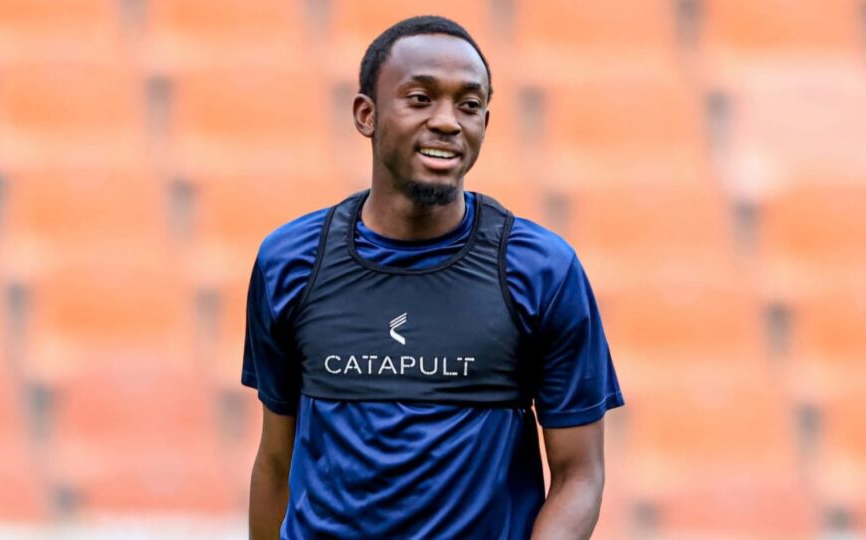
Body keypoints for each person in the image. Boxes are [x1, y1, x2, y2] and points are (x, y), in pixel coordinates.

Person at [243, 15, 624, 540]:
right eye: (420, 98)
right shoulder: (290, 261)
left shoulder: (542, 271)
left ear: (485, 123)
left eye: (469, 105)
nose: (448, 121)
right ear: (366, 114)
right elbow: (274, 462)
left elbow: (580, 475)